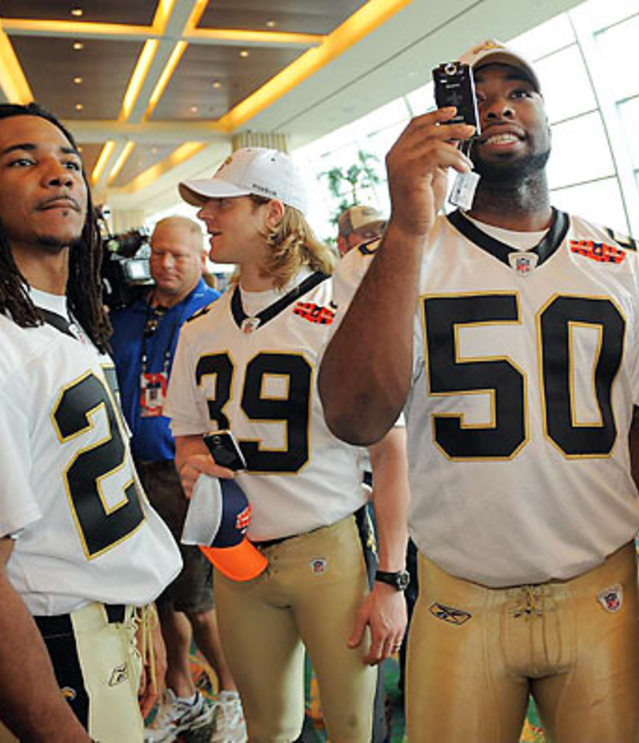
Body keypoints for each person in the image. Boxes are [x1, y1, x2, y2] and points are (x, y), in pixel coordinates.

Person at [319, 40, 639, 742]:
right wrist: (410, 227)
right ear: (448, 122)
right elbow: (356, 417)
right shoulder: (390, 258)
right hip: (458, 594)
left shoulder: (629, 265)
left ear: (550, 121)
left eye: (521, 89)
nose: (501, 103)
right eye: (478, 95)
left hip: (602, 586)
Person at [0, 102, 181, 741]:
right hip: (46, 653)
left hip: (96, 633)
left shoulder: (53, 318)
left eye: (69, 163)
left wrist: (133, 611)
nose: (58, 175)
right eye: (23, 161)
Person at [166, 147, 410, 743]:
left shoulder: (343, 310)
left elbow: (390, 453)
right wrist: (194, 466)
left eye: (223, 204)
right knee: (267, 729)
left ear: (273, 214)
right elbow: (188, 431)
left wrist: (392, 579)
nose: (208, 219)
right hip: (238, 555)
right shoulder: (200, 327)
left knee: (355, 728)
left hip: (327, 546)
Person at [108, 217, 245, 742]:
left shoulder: (215, 315)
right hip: (131, 471)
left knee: (199, 602)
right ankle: (183, 695)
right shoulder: (127, 314)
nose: (165, 265)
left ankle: (233, 693)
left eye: (179, 257)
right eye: (158, 254)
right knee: (157, 596)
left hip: (184, 473)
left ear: (203, 257)